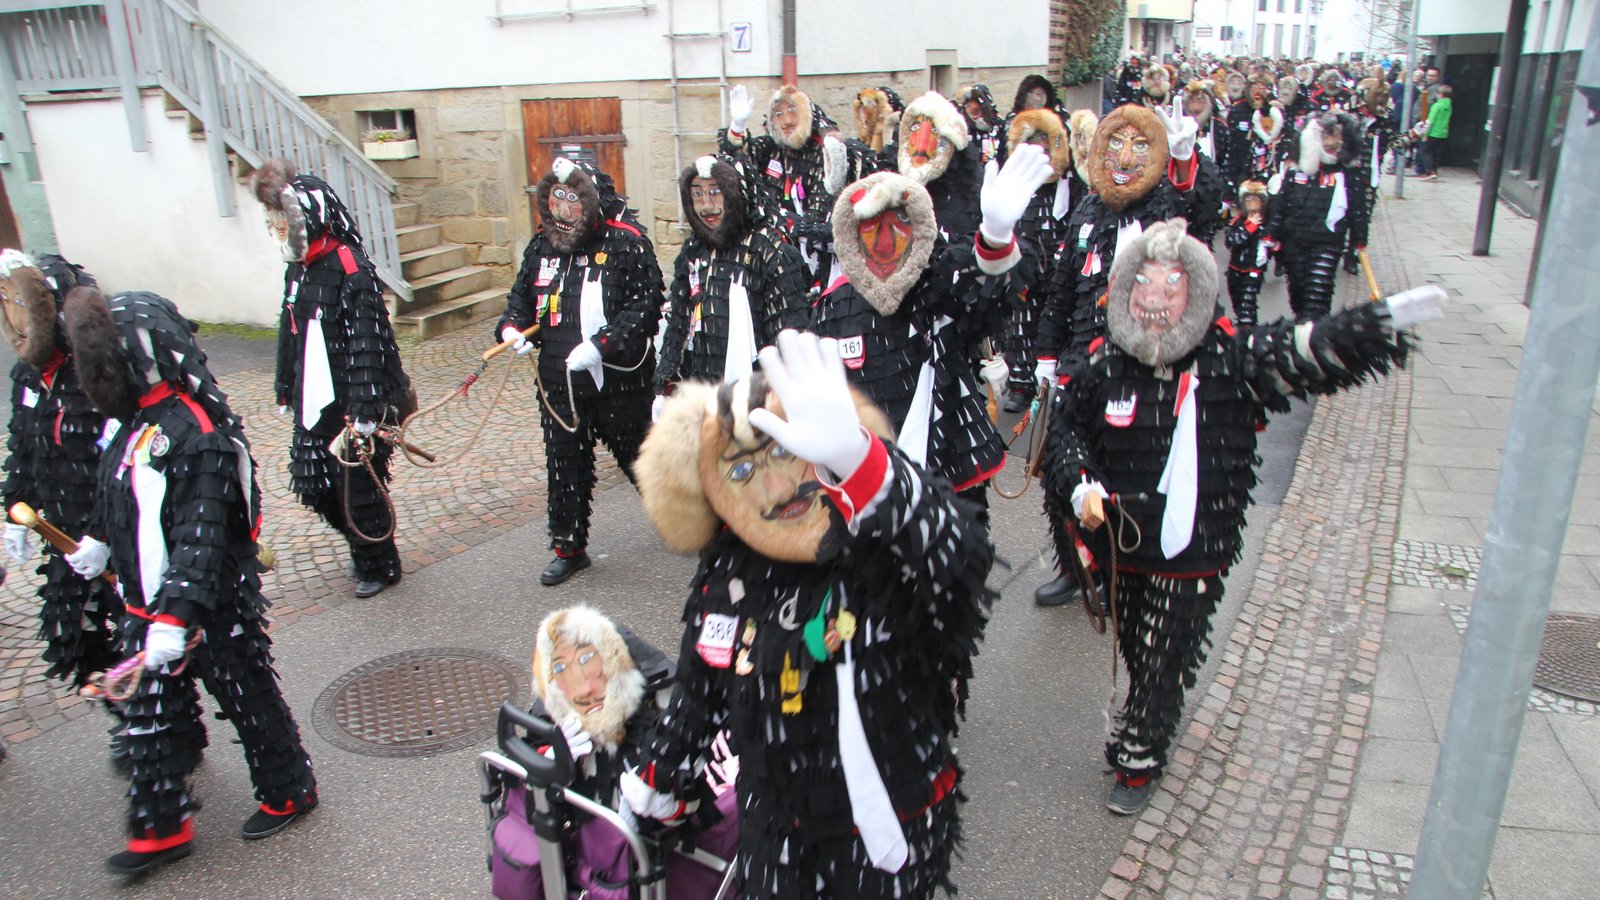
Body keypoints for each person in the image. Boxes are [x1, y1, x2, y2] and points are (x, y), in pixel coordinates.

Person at [1041, 219, 1443, 815]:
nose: (1154, 299)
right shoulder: (1105, 364)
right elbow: (1067, 432)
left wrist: (1373, 327)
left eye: (1171, 285)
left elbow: (1305, 349)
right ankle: (1145, 721)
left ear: (1195, 292)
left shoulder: (1231, 360)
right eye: (1144, 285)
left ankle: (1140, 755)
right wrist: (1079, 484)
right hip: (1124, 544)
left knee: (1164, 651)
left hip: (1197, 543)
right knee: (1136, 643)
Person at [626, 330, 997, 898]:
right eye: (742, 471)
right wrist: (653, 785)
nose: (776, 487)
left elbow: (956, 555)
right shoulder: (727, 574)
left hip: (889, 833)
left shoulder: (877, 543)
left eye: (782, 451)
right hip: (775, 836)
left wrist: (862, 461)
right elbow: (699, 693)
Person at [63, 288, 318, 875]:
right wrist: (98, 539)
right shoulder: (132, 425)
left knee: (249, 700)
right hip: (145, 608)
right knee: (149, 718)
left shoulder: (196, 432)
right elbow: (118, 491)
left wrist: (176, 618)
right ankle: (160, 827)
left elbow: (199, 536)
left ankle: (289, 789)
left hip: (208, 608)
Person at [808, 145, 1052, 515]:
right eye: (871, 226)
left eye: (898, 224)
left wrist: (995, 238)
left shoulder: (940, 286)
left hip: (946, 471)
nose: (885, 241)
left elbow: (985, 303)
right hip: (864, 481)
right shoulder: (832, 306)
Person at [491, 604, 739, 899]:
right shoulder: (559, 723)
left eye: (587, 659)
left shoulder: (657, 726)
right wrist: (549, 757)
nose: (583, 689)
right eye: (560, 668)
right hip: (615, 866)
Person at [497, 158, 663, 586]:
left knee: (641, 455)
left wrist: (601, 344)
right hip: (559, 381)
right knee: (565, 464)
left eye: (573, 199)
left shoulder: (628, 243)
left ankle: (679, 515)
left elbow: (645, 307)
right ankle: (568, 547)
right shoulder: (541, 246)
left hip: (618, 380)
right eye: (557, 199)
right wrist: (513, 328)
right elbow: (522, 298)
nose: (564, 209)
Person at [252, 159, 411, 599]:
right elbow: (291, 333)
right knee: (311, 480)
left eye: (281, 219)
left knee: (359, 488)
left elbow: (368, 345)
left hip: (356, 402)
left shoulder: (350, 268)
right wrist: (287, 386)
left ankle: (379, 562)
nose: (276, 228)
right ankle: (362, 545)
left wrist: (363, 412)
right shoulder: (298, 269)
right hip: (313, 400)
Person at [0, 252, 124, 700]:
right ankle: (131, 715)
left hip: (114, 530)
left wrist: (102, 534)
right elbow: (23, 447)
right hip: (62, 536)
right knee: (69, 635)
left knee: (149, 637)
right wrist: (16, 511)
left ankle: (166, 730)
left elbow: (121, 463)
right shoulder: (26, 375)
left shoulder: (94, 371)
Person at [655, 155, 811, 399]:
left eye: (715, 192)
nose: (706, 205)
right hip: (703, 394)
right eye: (697, 194)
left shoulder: (768, 251)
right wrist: (666, 383)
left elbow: (789, 340)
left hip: (756, 396)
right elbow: (679, 323)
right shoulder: (693, 250)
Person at [1265, 113, 1371, 320]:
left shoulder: (1347, 173)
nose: (1331, 142)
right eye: (1326, 136)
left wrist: (1359, 240)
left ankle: (1313, 339)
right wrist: (1271, 235)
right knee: (1298, 294)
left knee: (1318, 296)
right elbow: (1281, 204)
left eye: (1335, 136)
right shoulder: (1296, 172)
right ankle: (1302, 330)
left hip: (1328, 243)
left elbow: (1358, 208)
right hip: (1294, 241)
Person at [1224, 181, 1271, 328]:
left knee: (1247, 307)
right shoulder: (1238, 220)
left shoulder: (1267, 223)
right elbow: (1231, 241)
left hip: (1253, 271)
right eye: (1248, 199)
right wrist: (1249, 226)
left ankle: (1247, 336)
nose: (1252, 202)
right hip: (1235, 268)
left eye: (1255, 199)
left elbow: (1274, 244)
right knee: (1238, 304)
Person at [1416, 85, 1452, 180]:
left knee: (1425, 151)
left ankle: (1430, 171)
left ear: (1440, 95)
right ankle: (1435, 171)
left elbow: (1430, 121)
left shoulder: (1436, 106)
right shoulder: (1449, 107)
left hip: (1433, 132)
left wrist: (1425, 134)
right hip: (1443, 133)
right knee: (1436, 153)